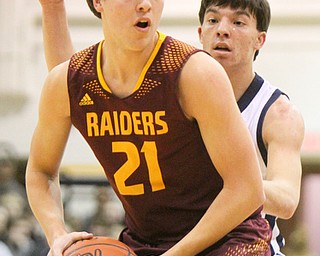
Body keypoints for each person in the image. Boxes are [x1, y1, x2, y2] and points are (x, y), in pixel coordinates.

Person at [26, 0, 271, 256]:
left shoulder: (194, 72)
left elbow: (247, 189)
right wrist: (57, 235)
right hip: (146, 241)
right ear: (98, 2)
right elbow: (41, 171)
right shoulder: (67, 81)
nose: (145, 4)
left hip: (229, 238)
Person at [197, 0, 305, 255]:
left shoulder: (278, 113)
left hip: (253, 249)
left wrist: (225, 184)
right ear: (200, 33)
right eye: (213, 20)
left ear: (260, 40)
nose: (222, 29)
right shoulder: (176, 98)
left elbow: (286, 200)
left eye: (238, 22)